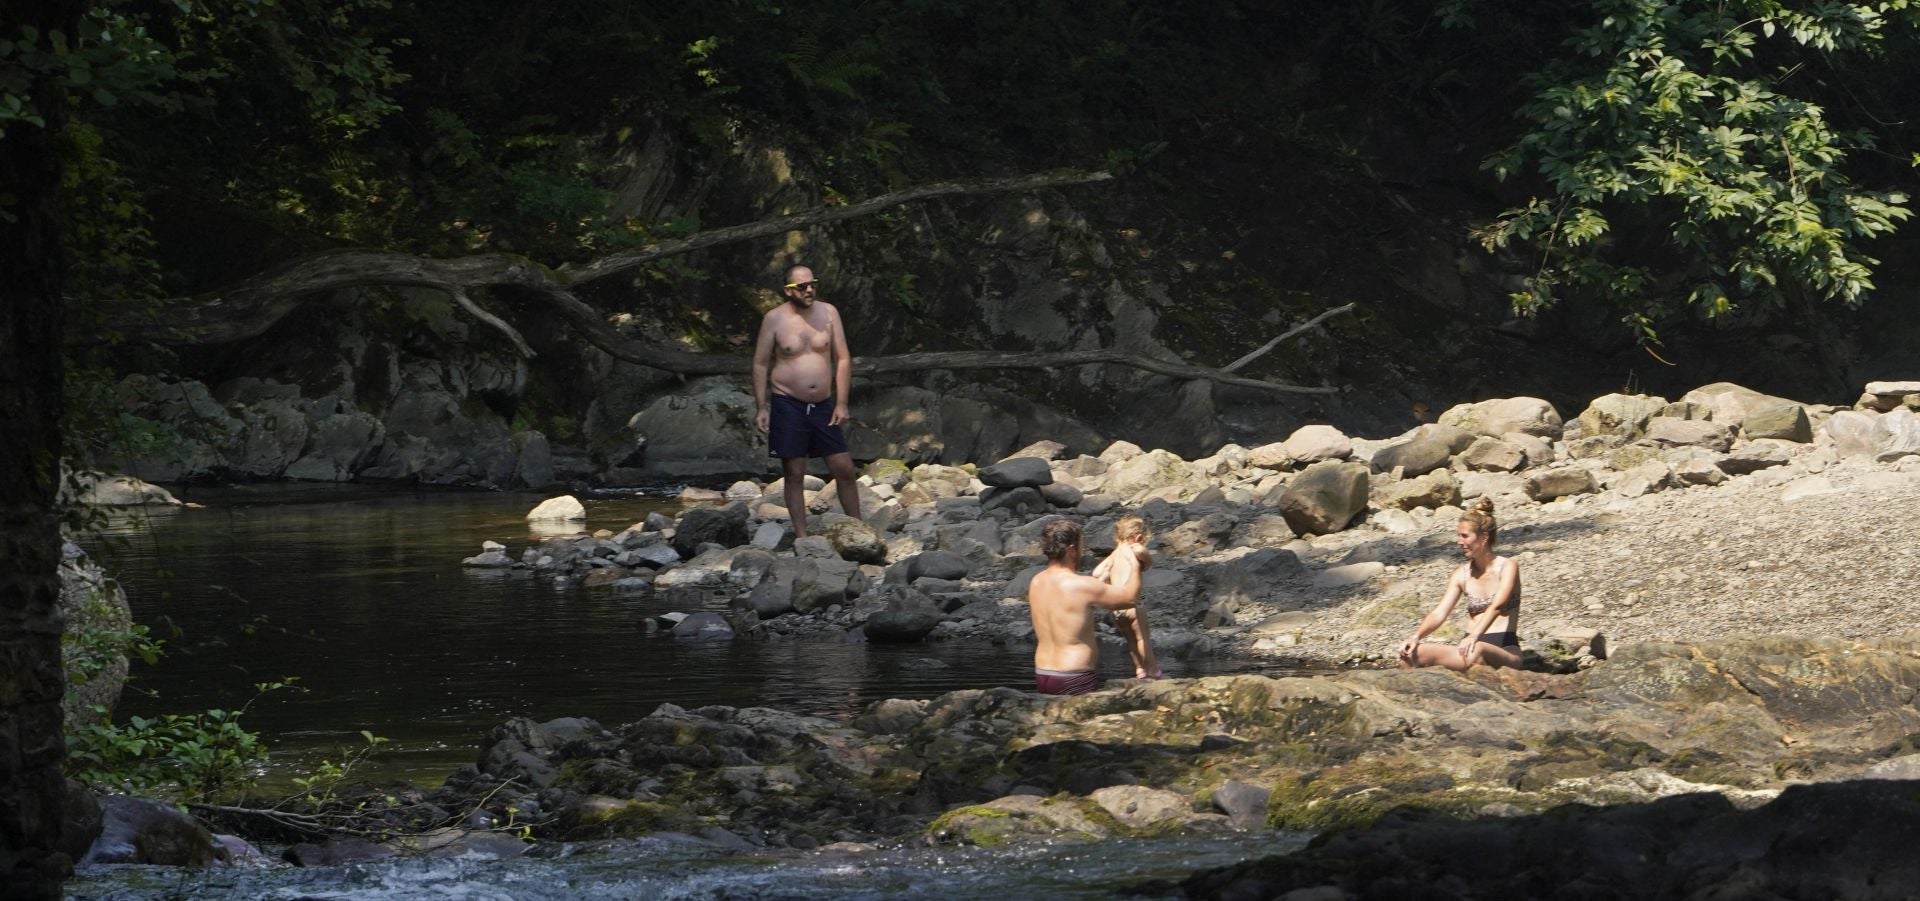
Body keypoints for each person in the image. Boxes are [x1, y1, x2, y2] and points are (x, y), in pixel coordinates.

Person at [751, 264, 860, 539]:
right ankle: (802, 536)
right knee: (794, 471)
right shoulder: (774, 319)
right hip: (787, 401)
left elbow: (843, 358)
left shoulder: (829, 313)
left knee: (844, 467)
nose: (809, 289)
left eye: (813, 283)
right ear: (788, 290)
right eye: (802, 286)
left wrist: (842, 402)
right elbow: (761, 363)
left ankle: (859, 527)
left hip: (823, 403)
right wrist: (761, 406)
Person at [1397, 498, 1525, 671]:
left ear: (1484, 538)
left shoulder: (1508, 566)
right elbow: (1439, 613)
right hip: (1468, 647)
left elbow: (1498, 605)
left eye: (1464, 536)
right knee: (1409, 655)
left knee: (1477, 650)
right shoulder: (1461, 574)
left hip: (1504, 649)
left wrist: (1474, 636)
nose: (1459, 541)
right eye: (1458, 536)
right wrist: (1415, 637)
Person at [1027, 519, 1142, 695]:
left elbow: (1073, 601)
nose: (1083, 552)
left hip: (1043, 672)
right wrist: (1135, 564)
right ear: (1071, 550)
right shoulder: (1082, 586)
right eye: (1081, 547)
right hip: (1073, 676)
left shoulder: (1036, 581)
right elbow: (1129, 598)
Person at [1092, 515, 1163, 679]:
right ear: (1137, 537)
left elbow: (1096, 573)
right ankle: (1152, 669)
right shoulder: (1135, 549)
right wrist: (1139, 558)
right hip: (1133, 605)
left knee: (1131, 641)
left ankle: (1139, 670)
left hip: (1117, 609)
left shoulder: (1114, 554)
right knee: (1142, 639)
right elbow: (1142, 554)